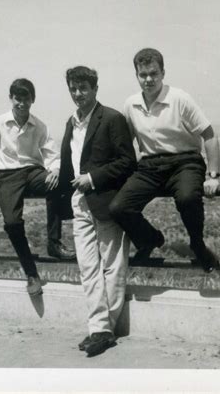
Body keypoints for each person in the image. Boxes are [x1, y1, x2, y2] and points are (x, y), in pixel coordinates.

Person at [109, 48, 220, 273]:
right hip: (150, 166)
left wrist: (213, 176)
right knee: (118, 207)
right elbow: (124, 142)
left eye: (154, 73)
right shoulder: (131, 104)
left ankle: (197, 244)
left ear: (163, 73)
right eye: (143, 75)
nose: (148, 79)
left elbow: (209, 135)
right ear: (136, 75)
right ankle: (149, 239)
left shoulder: (180, 98)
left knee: (188, 198)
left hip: (185, 162)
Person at [58, 66, 136, 357]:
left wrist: (92, 178)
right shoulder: (71, 122)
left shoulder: (113, 118)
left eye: (83, 88)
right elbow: (70, 159)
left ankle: (104, 329)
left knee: (113, 264)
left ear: (95, 89)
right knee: (88, 267)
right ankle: (98, 328)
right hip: (80, 203)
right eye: (73, 89)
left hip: (106, 201)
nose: (78, 94)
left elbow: (127, 162)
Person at [0, 78, 74, 296]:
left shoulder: (39, 126)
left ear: (33, 100)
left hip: (32, 171)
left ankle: (54, 243)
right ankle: (31, 274)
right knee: (12, 223)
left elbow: (51, 153)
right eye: (18, 98)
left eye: (26, 99)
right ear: (11, 99)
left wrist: (55, 170)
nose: (22, 103)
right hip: (7, 175)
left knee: (56, 185)